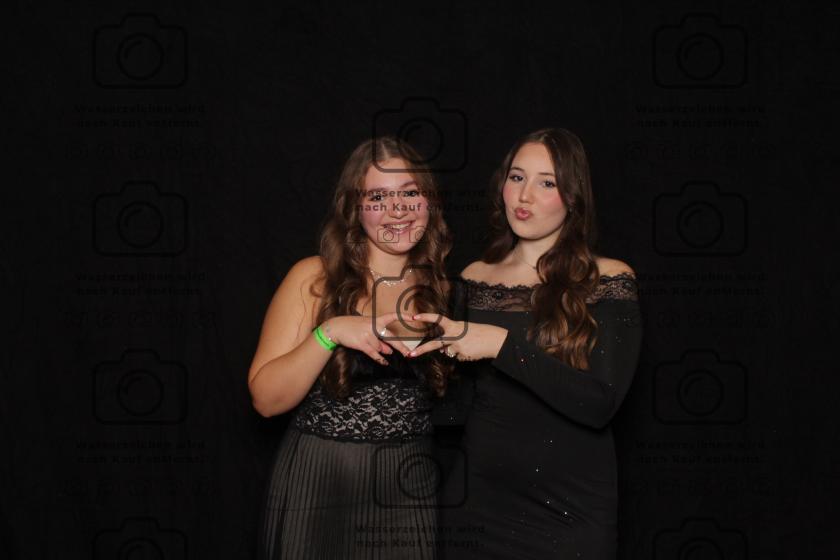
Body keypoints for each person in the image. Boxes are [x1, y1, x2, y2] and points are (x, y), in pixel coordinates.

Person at [410, 128, 643, 559]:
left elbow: (600, 404)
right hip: (478, 505)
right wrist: (414, 354)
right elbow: (457, 409)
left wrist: (501, 345)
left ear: (573, 197)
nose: (524, 195)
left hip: (570, 511)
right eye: (516, 177)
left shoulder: (609, 279)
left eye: (547, 182)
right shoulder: (474, 278)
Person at [249, 136, 455, 559]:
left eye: (409, 193)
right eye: (377, 197)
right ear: (354, 209)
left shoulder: (443, 289)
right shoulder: (314, 278)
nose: (396, 209)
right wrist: (330, 333)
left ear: (429, 201)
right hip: (319, 484)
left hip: (407, 489)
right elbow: (266, 401)